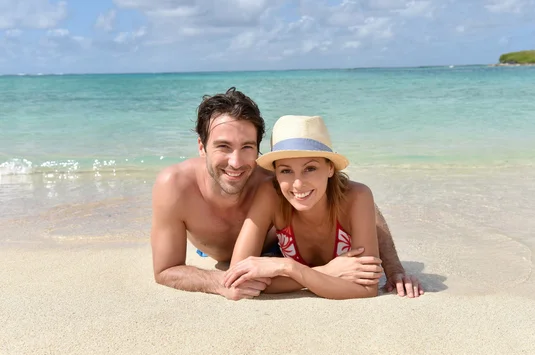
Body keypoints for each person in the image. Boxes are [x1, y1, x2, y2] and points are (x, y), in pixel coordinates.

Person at [151, 87, 423, 300]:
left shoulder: (274, 179)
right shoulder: (176, 187)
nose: (236, 162)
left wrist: (394, 268)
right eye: (223, 146)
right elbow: (169, 270)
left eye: (247, 147)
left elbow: (353, 199)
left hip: (275, 255)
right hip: (258, 261)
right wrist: (321, 272)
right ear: (201, 146)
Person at [223, 115, 382, 299]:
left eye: (310, 168)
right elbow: (238, 280)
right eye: (286, 170)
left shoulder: (357, 197)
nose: (298, 184)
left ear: (330, 167)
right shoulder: (270, 194)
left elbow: (367, 289)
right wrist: (325, 271)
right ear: (276, 173)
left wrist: (288, 269)